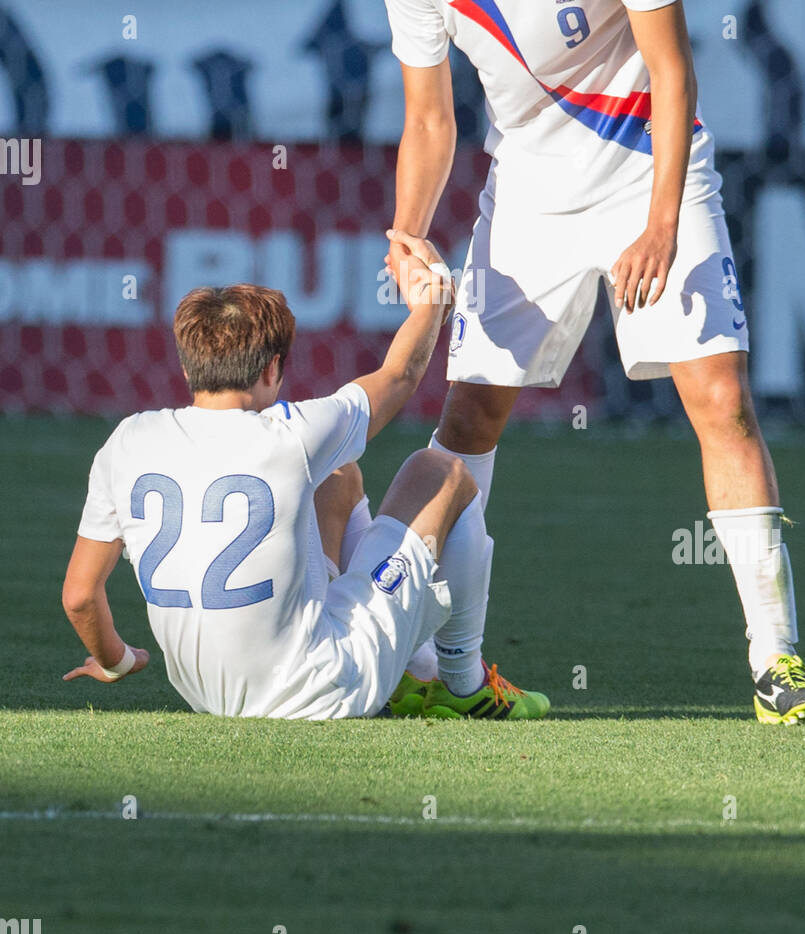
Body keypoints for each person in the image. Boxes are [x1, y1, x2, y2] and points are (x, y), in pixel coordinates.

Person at [381, 0, 805, 726]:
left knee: (718, 397)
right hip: (529, 196)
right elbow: (429, 122)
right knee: (468, 426)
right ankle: (454, 676)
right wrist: (406, 227)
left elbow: (671, 72)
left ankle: (775, 661)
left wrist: (661, 218)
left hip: (647, 169)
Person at [61, 254, 548, 721]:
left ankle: (410, 669)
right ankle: (466, 684)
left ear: (188, 368)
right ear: (273, 368)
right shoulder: (290, 433)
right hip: (322, 689)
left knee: (338, 478)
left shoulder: (128, 439)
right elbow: (400, 375)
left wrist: (117, 660)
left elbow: (80, 596)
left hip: (207, 697)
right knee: (439, 471)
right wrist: (433, 301)